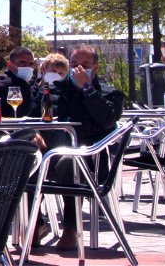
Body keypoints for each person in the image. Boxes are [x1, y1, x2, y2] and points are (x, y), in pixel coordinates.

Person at [41, 45, 124, 251]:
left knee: (70, 161)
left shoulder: (110, 93)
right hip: (50, 155)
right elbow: (36, 114)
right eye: (75, 64)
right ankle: (34, 225)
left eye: (84, 65)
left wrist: (88, 89)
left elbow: (107, 120)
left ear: (94, 68)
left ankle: (71, 228)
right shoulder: (54, 91)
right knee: (24, 157)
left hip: (90, 160)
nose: (79, 69)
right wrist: (34, 133)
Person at [0, 46, 37, 118]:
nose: (27, 67)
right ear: (9, 64)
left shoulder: (0, 81)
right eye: (22, 62)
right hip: (11, 127)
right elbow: (27, 114)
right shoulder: (17, 84)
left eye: (31, 64)